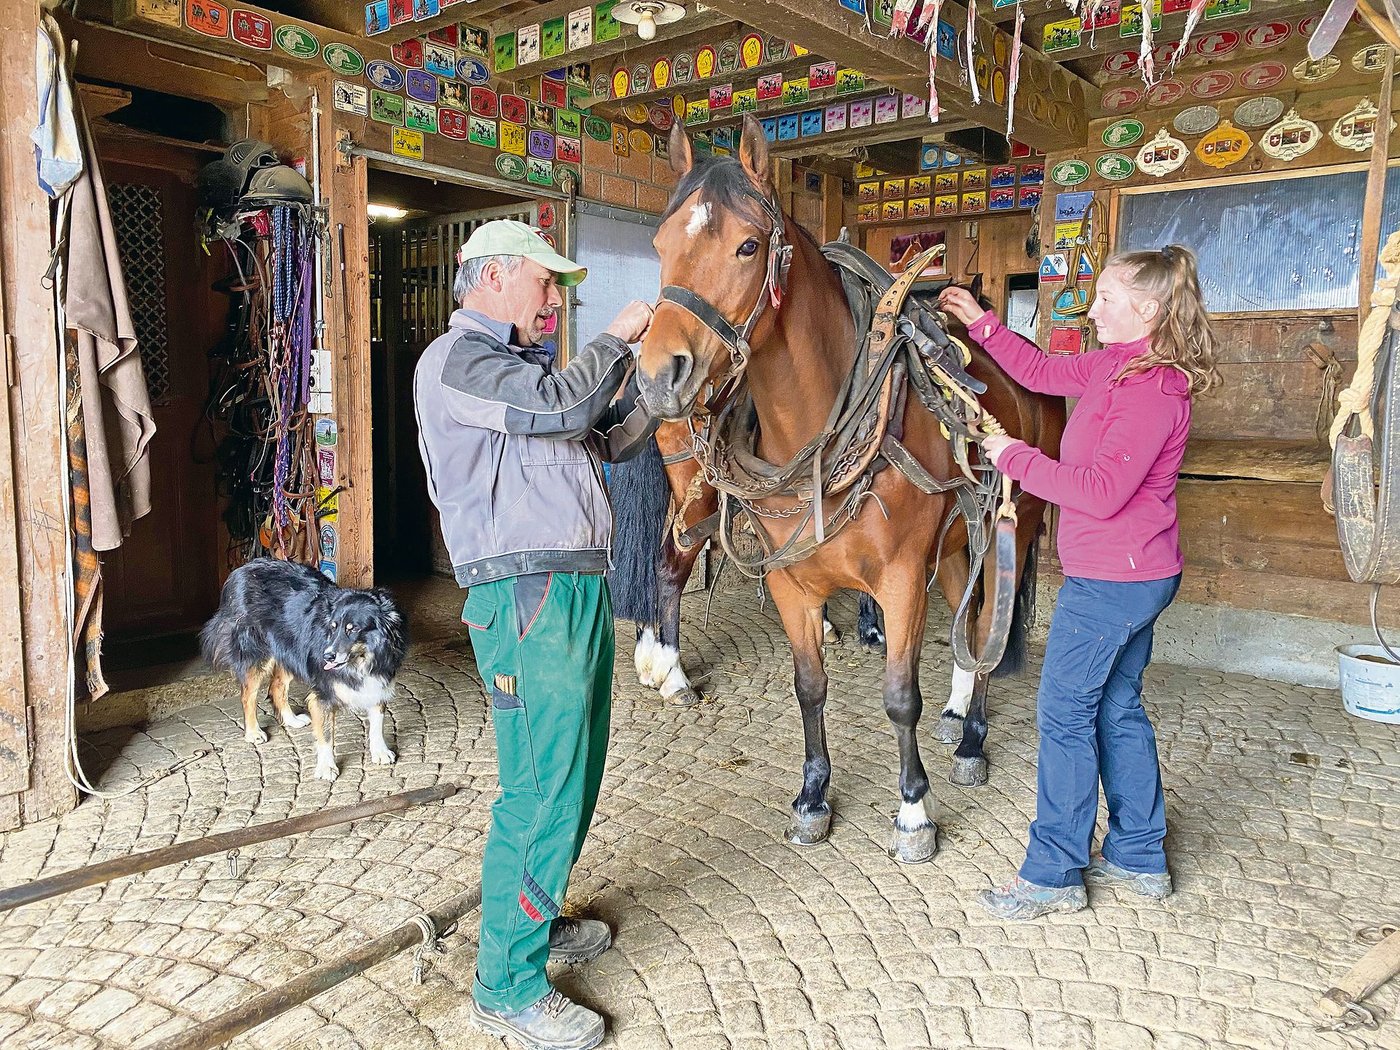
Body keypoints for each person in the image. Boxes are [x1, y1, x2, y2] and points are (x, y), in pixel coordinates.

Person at [415, 219, 656, 1048]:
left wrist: (659, 392)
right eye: (546, 283)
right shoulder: (458, 361)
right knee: (542, 789)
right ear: (494, 278)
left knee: (574, 775)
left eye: (558, 286)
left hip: (569, 590)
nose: (557, 298)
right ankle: (507, 985)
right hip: (528, 597)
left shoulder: (521, 373)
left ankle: (532, 918)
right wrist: (620, 341)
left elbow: (605, 436)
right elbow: (568, 405)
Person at [939, 245, 1220, 921]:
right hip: (1131, 574)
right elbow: (1040, 368)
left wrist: (1013, 456)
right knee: (1116, 707)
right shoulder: (1118, 364)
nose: (1091, 310)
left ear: (1147, 311)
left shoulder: (1153, 389)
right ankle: (1139, 854)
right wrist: (981, 324)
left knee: (1064, 715)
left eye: (1107, 300)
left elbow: (1098, 491)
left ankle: (1054, 872)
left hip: (1114, 583)